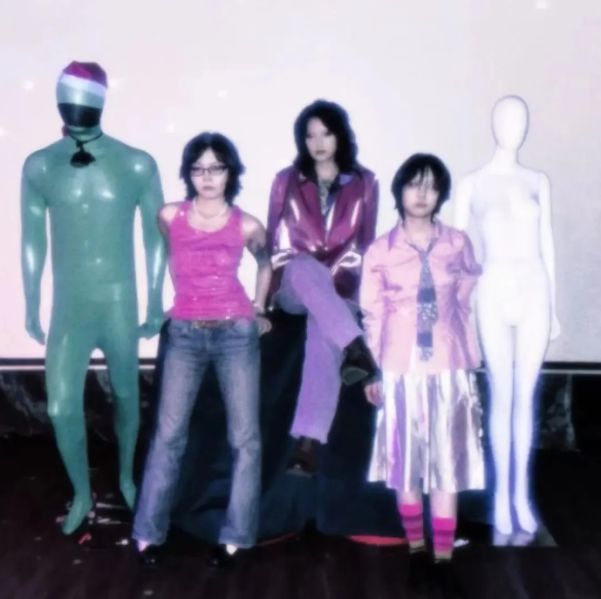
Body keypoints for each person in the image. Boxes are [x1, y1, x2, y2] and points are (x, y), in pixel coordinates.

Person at [21, 61, 166, 535]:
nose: (75, 109)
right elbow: (32, 239)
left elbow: (155, 238)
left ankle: (125, 477)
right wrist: (30, 301)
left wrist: (154, 300)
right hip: (71, 305)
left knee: (126, 395)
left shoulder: (136, 163)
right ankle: (82, 492)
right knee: (60, 406)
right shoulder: (41, 166)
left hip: (119, 302)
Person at [132, 132, 271, 568]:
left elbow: (266, 263)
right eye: (198, 168)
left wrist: (259, 308)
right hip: (185, 334)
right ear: (188, 173)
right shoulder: (169, 215)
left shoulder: (247, 225)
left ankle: (237, 537)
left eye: (216, 168)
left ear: (231, 172)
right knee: (168, 436)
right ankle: (148, 532)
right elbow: (168, 253)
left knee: (245, 439)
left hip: (235, 334)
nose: (207, 177)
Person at [361, 154, 485, 593]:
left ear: (441, 195)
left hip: (449, 368)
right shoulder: (380, 251)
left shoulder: (457, 243)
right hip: (400, 369)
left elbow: (467, 293)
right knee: (406, 466)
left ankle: (444, 559)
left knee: (448, 465)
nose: (422, 194)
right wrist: (375, 372)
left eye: (432, 186)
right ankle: (416, 553)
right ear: (399, 190)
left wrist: (467, 353)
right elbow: (372, 315)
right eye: (415, 184)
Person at [454, 95, 560, 540]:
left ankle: (520, 495)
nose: (515, 127)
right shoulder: (472, 184)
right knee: (501, 393)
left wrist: (555, 307)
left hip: (534, 288)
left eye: (521, 120)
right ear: (494, 124)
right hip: (494, 289)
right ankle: (500, 496)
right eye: (507, 119)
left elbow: (547, 243)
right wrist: (459, 311)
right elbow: (458, 253)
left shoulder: (538, 181)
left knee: (526, 397)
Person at [266, 99, 380, 474]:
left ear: (340, 136)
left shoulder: (365, 183)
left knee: (322, 326)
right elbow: (274, 241)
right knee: (304, 266)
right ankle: (356, 348)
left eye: (325, 133)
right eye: (309, 135)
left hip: (341, 290)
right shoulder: (286, 180)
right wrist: (263, 298)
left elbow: (366, 244)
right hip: (295, 284)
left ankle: (308, 443)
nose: (317, 142)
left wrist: (364, 300)